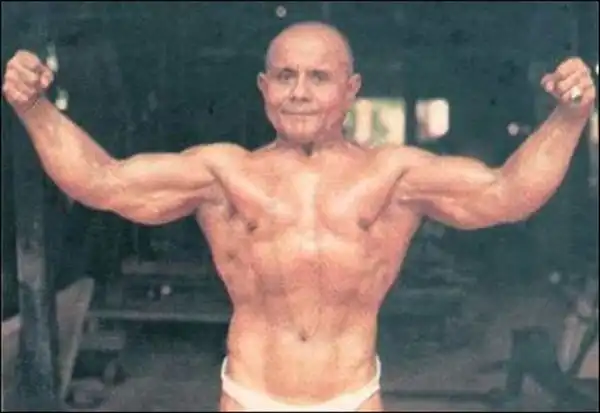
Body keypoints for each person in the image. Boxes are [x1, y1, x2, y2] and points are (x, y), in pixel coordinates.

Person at [2, 21, 596, 412]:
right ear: (264, 87)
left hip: (352, 396)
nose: (300, 92)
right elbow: (102, 181)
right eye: (285, 77)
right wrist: (33, 109)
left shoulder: (394, 176)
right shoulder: (223, 174)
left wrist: (569, 119)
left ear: (351, 89)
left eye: (319, 77)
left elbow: (507, 193)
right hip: (250, 395)